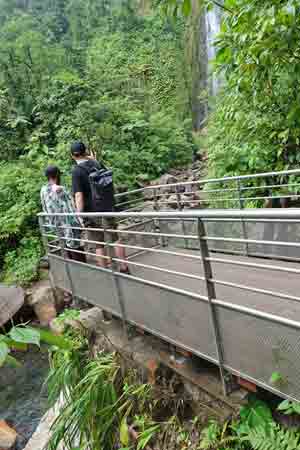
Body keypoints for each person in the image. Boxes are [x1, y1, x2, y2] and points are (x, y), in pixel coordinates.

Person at [70, 141, 129, 273]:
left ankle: (105, 272)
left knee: (98, 244)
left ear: (72, 155)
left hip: (91, 213)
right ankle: (124, 267)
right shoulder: (97, 163)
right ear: (85, 151)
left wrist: (79, 215)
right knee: (115, 238)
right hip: (107, 206)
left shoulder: (76, 171)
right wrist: (93, 158)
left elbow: (78, 195)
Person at [40, 165, 86, 263]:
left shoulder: (43, 190)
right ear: (57, 175)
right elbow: (71, 208)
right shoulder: (61, 189)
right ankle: (83, 271)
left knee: (66, 248)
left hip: (57, 226)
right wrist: (80, 222)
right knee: (76, 248)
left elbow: (45, 208)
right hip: (69, 225)